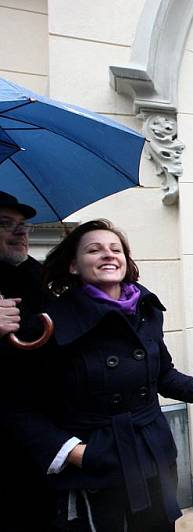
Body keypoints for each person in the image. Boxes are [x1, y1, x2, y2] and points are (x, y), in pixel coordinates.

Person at [13, 219, 193, 531]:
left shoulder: (146, 310)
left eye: (115, 249)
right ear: (74, 266)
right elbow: (20, 408)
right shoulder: (49, 324)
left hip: (151, 456)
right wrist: (75, 453)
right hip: (94, 469)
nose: (108, 255)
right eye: (94, 250)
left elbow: (164, 376)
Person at [0, 191, 58, 531]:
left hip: (43, 429)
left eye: (23, 225)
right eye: (6, 224)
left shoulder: (42, 275)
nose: (20, 232)